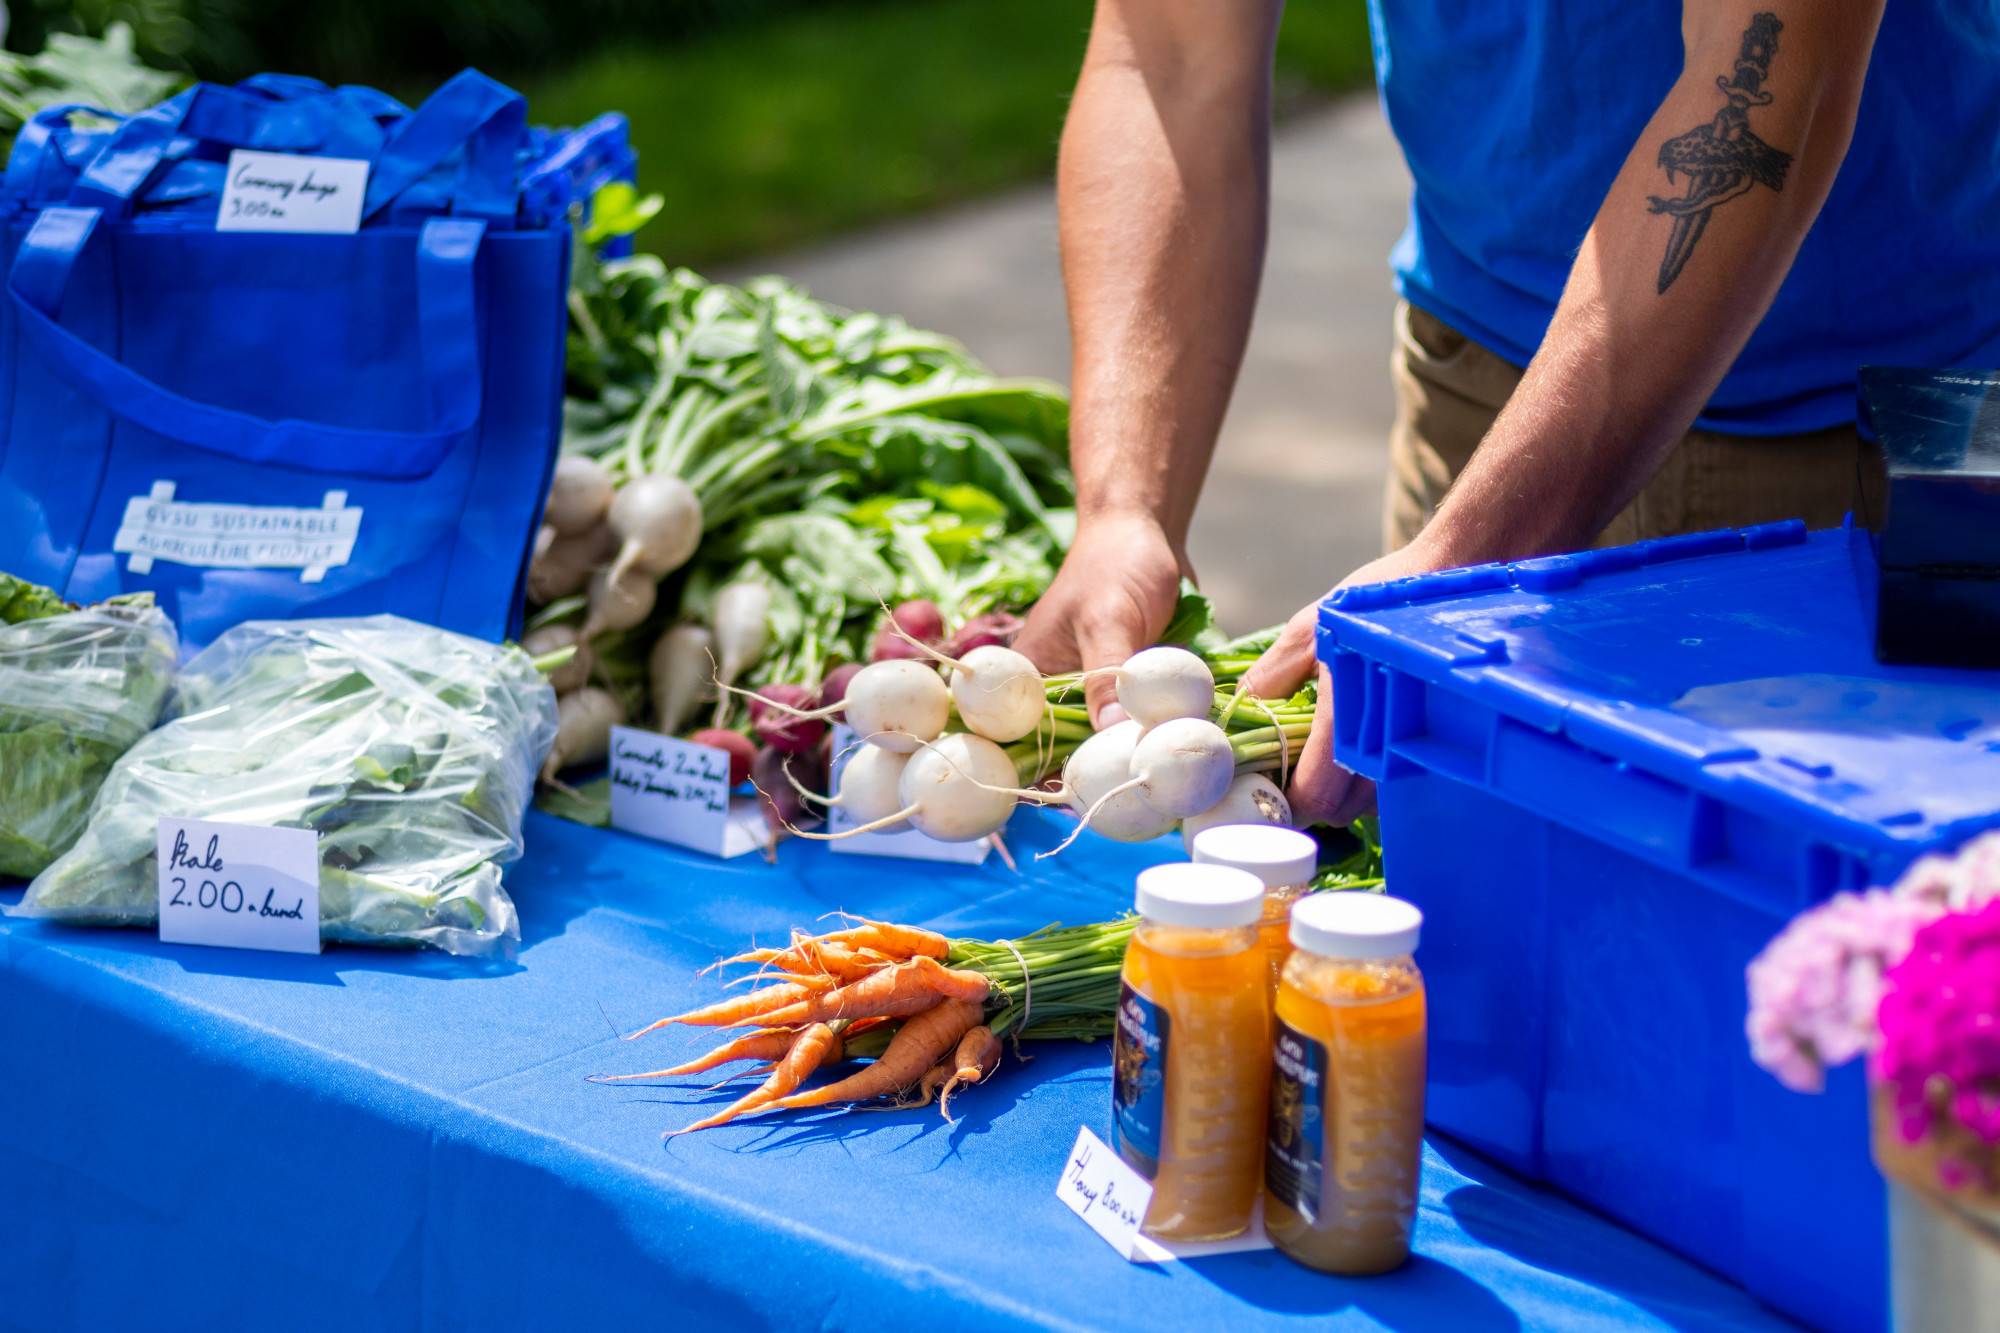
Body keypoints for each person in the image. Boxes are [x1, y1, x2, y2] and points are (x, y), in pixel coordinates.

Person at [1015, 0, 2000, 825]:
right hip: (1479, 392)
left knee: (1866, 998)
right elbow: (1171, 52)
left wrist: (1479, 539)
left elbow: (1770, 81)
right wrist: (1121, 507)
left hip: (1885, 447)